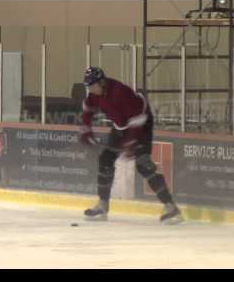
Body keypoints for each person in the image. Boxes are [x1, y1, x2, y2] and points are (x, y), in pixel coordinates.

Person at [78, 67, 183, 224]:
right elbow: (87, 109)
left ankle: (171, 207)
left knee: (143, 163)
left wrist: (131, 143)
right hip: (121, 126)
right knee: (106, 159)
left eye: (92, 85)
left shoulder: (120, 92)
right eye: (88, 86)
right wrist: (86, 128)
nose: (90, 89)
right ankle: (102, 206)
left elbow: (138, 119)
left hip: (141, 124)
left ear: (102, 82)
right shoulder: (95, 94)